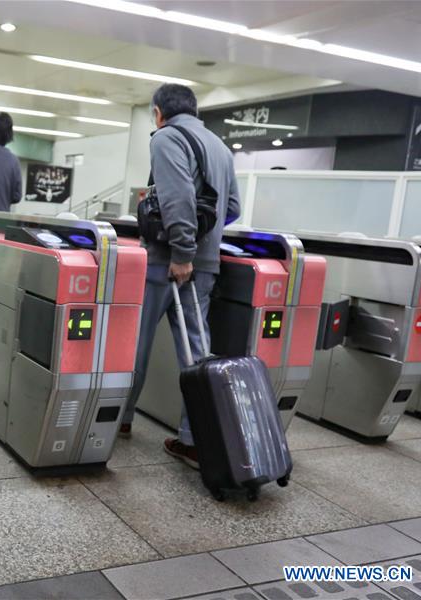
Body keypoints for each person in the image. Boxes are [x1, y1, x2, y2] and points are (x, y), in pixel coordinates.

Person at [121, 83, 241, 470]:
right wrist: (202, 244)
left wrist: (182, 251)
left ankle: (118, 420)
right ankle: (194, 438)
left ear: (158, 112)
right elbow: (232, 207)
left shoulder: (168, 138)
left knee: (134, 343)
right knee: (196, 354)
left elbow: (176, 198)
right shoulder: (220, 147)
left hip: (166, 263)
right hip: (205, 265)